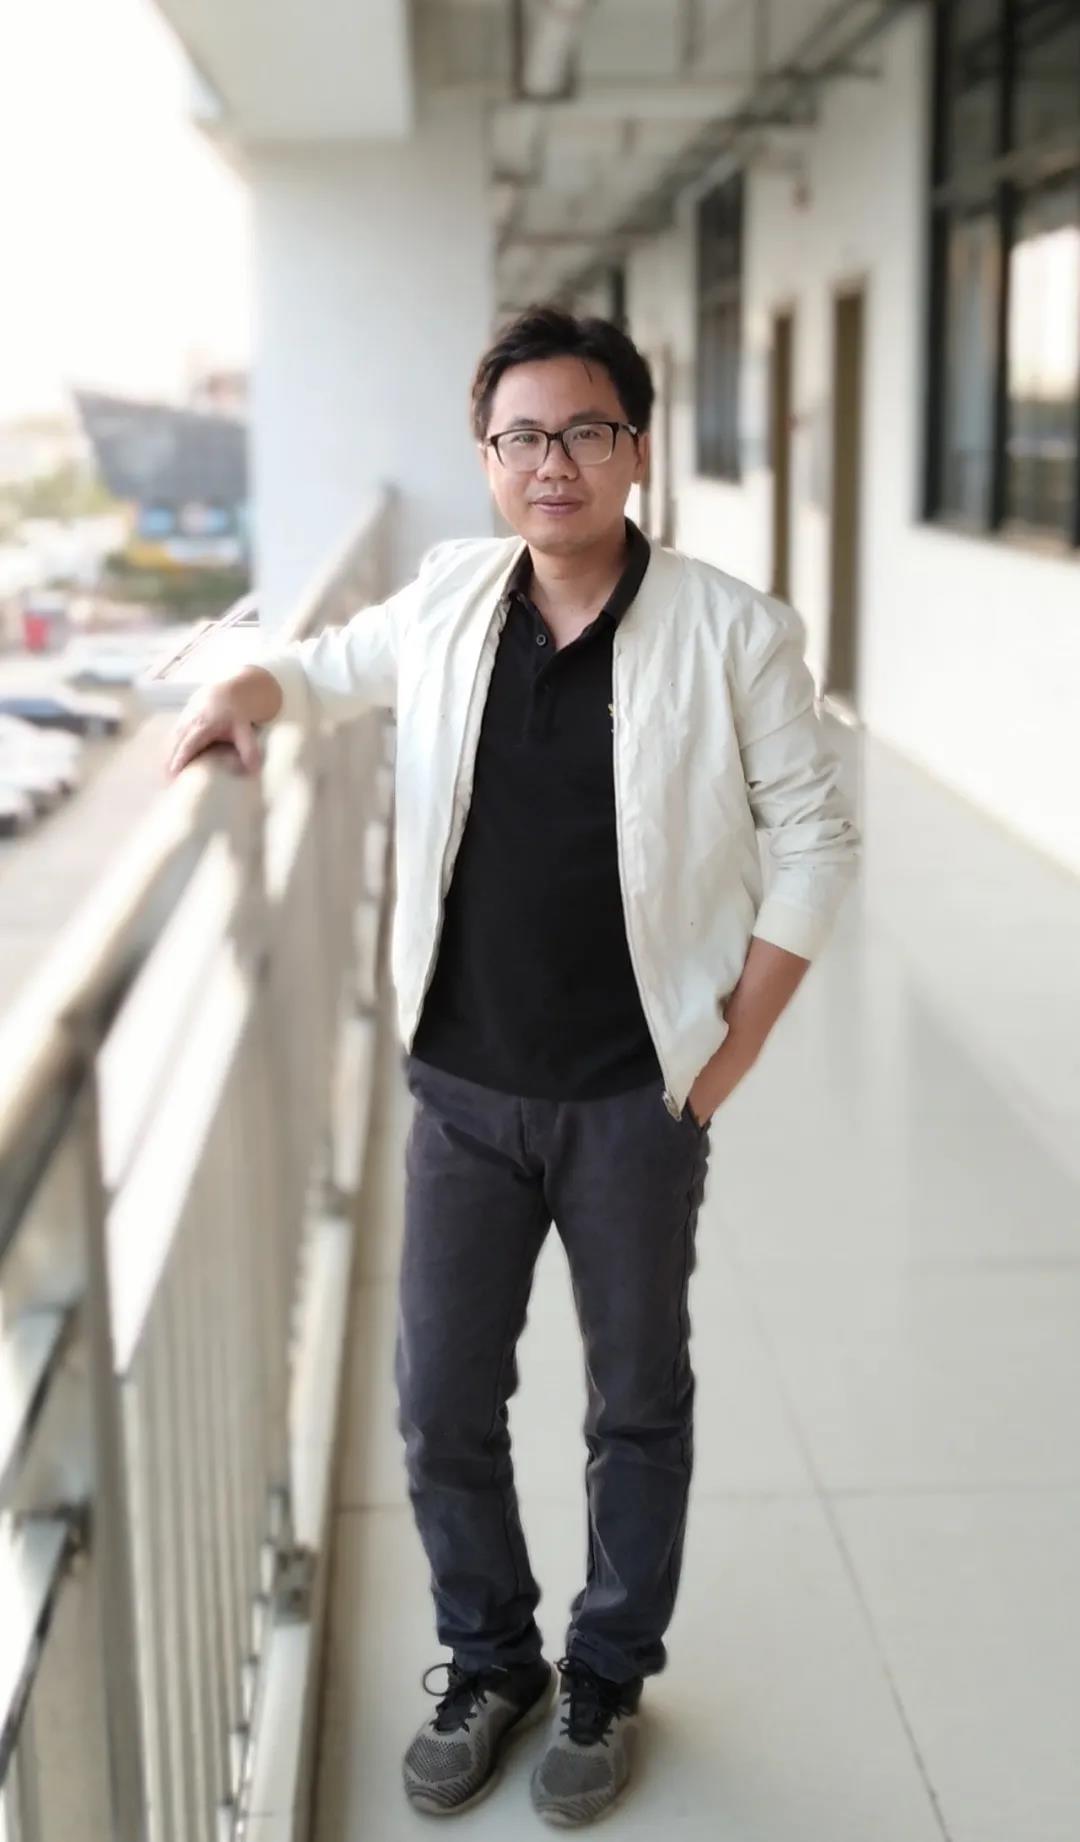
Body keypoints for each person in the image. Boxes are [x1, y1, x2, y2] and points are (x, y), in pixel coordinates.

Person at [166, 306, 861, 1828]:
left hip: (634, 1094)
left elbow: (817, 839)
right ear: (487, 457)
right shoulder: (447, 598)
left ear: (637, 449)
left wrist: (723, 1059)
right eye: (523, 436)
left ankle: (605, 1672)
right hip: (463, 1091)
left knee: (637, 1399)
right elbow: (319, 669)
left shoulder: (734, 629)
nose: (555, 463)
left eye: (586, 431)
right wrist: (235, 696)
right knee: (440, 1399)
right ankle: (493, 1661)